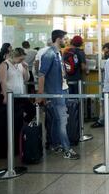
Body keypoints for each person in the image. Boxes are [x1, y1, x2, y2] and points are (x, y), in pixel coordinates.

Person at [36, 30, 80, 160]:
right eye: (64, 38)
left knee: (57, 119)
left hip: (62, 90)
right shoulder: (49, 54)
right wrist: (41, 94)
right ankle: (67, 149)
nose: (66, 41)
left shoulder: (59, 53)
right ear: (58, 39)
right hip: (56, 93)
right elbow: (41, 74)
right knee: (62, 120)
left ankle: (55, 144)